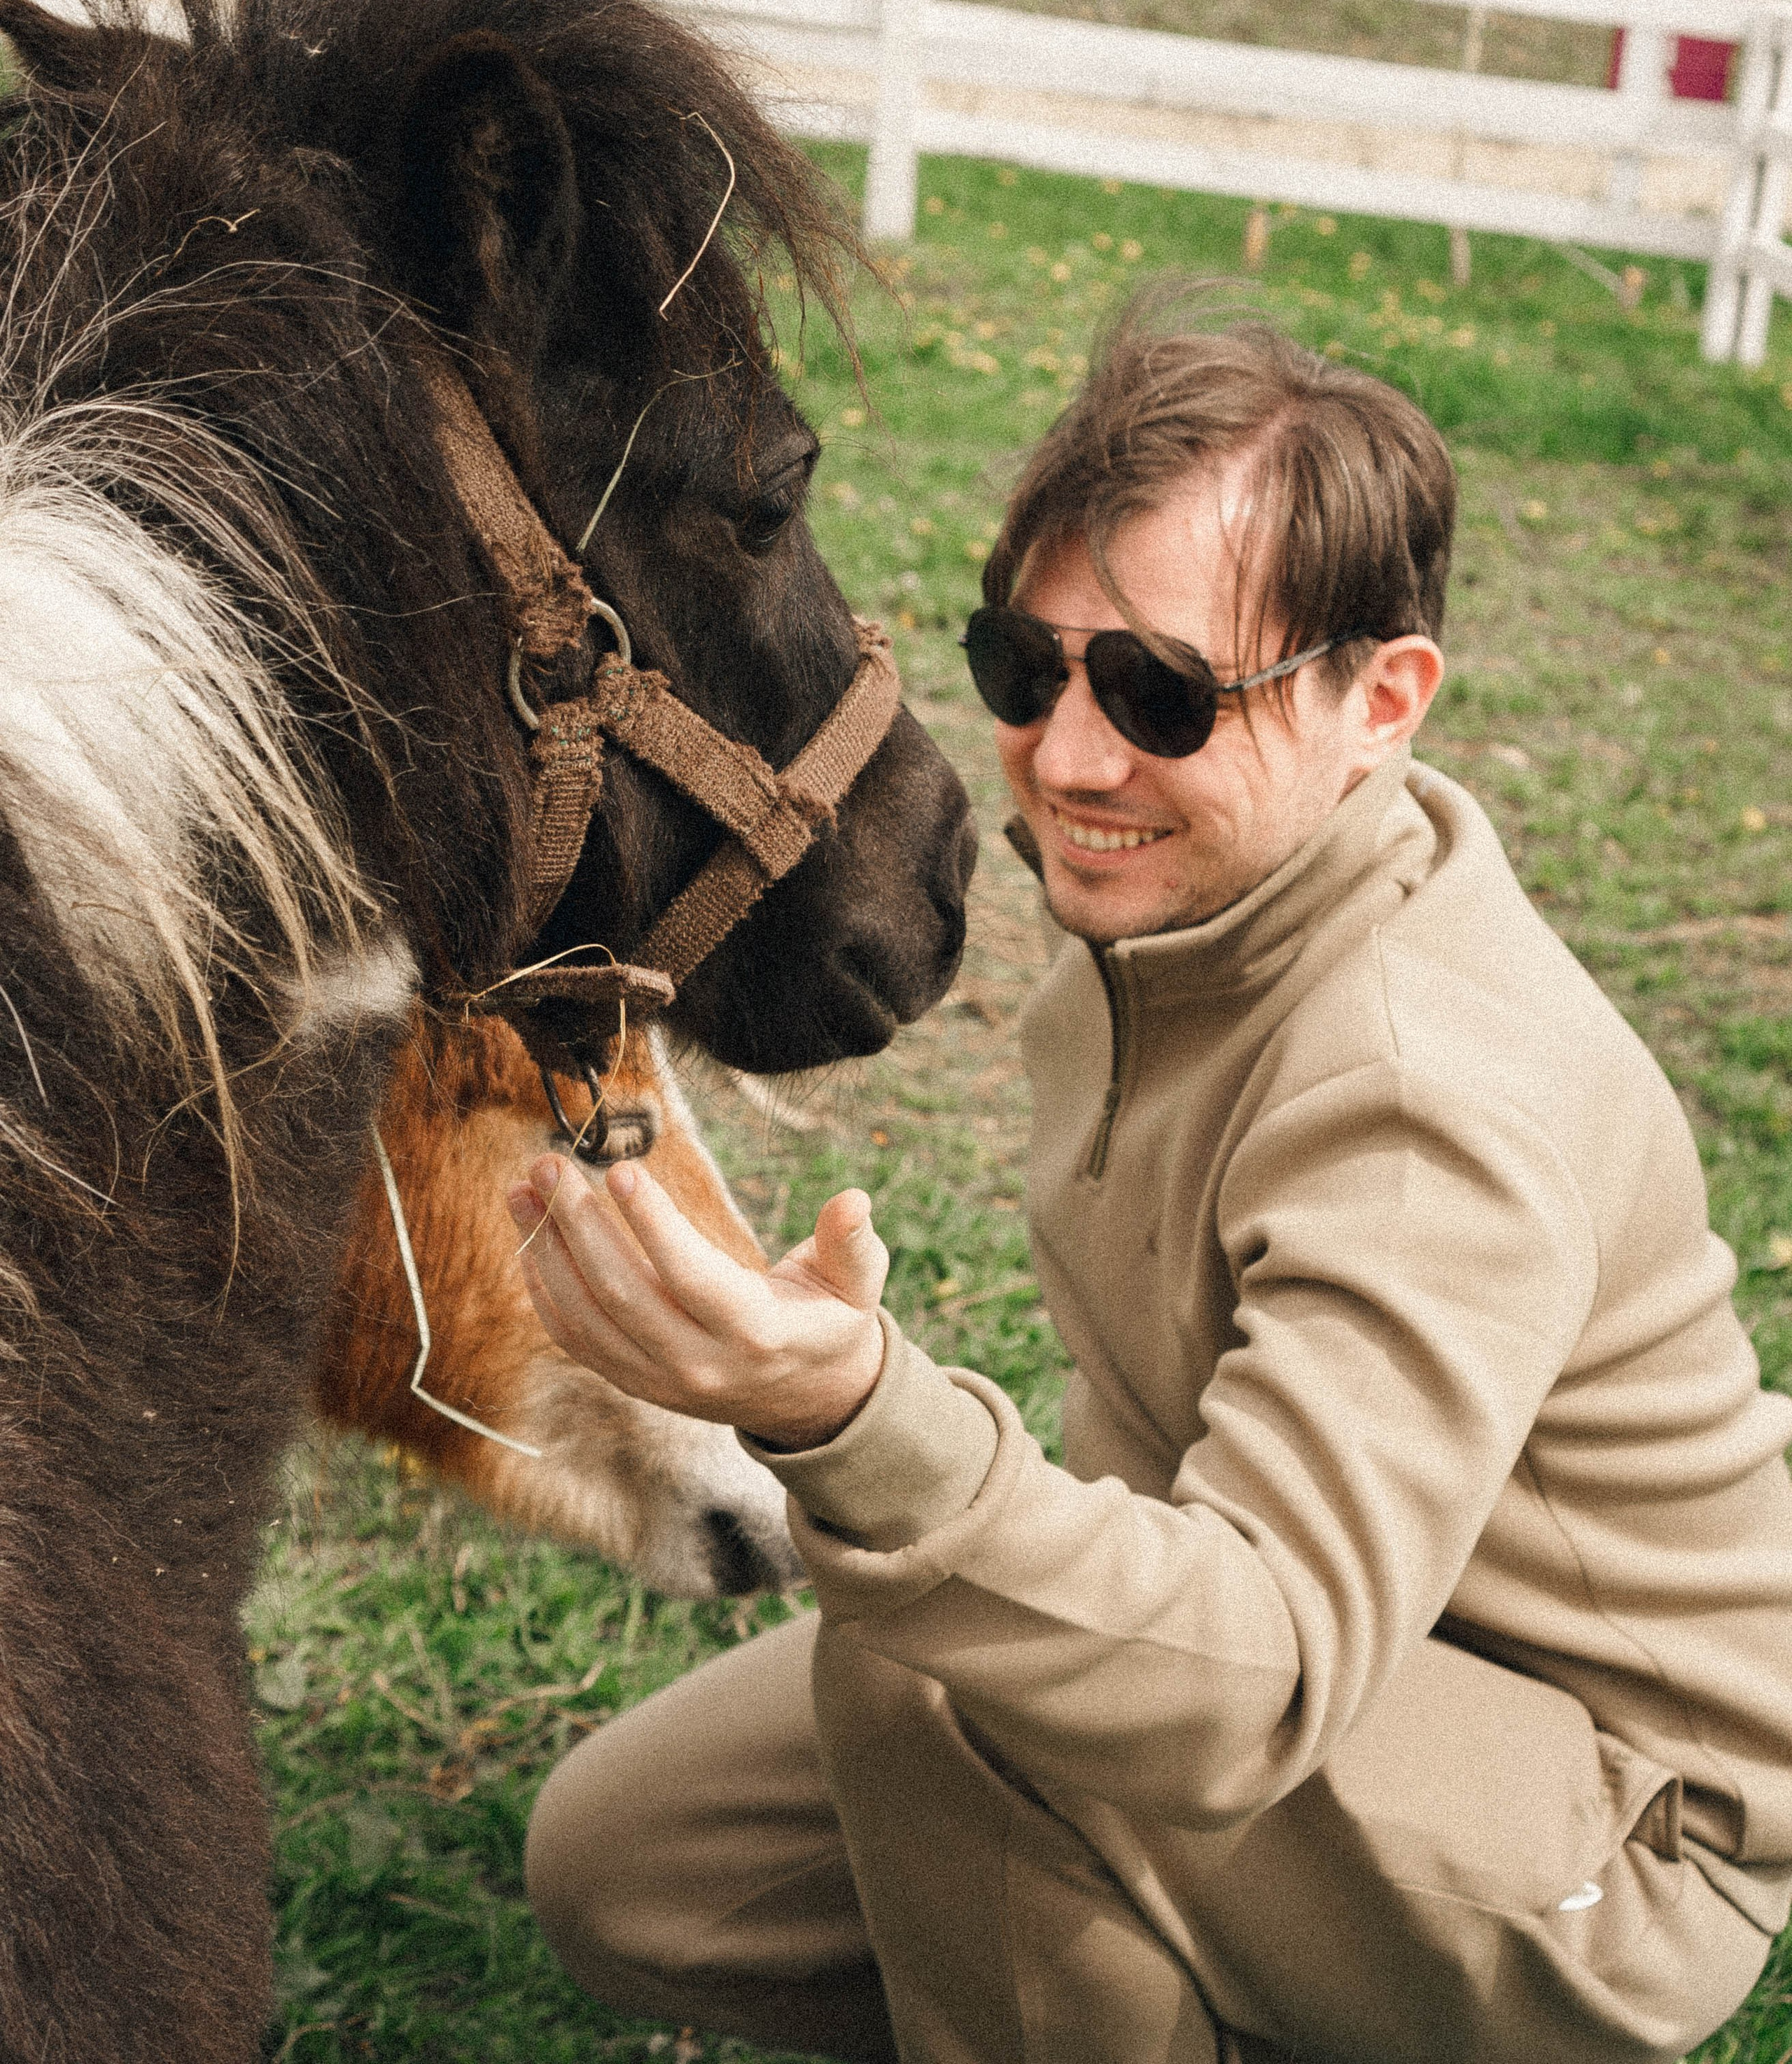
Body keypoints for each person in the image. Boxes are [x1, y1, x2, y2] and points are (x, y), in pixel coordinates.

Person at [507, 310, 1792, 2064]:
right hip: (1346, 1684)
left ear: (1381, 699)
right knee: (635, 1867)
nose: (1072, 757)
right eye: (1027, 667)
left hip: (1611, 1823)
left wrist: (854, 1416)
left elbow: (1253, 1675)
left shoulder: (1422, 1105)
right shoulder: (1193, 922)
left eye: (1164, 692)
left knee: (941, 1673)